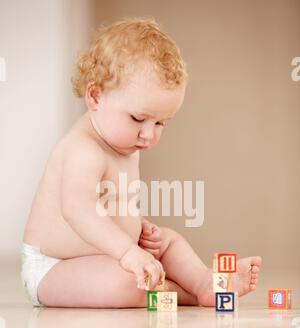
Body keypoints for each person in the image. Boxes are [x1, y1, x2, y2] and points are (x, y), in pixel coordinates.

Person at [21, 18, 261, 308]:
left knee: (169, 241)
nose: (148, 135)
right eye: (138, 118)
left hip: (108, 254)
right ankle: (190, 295)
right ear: (95, 96)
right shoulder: (82, 149)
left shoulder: (126, 145)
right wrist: (125, 250)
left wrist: (136, 228)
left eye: (161, 123)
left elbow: (113, 202)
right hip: (54, 267)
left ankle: (203, 282)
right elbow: (78, 209)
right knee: (125, 282)